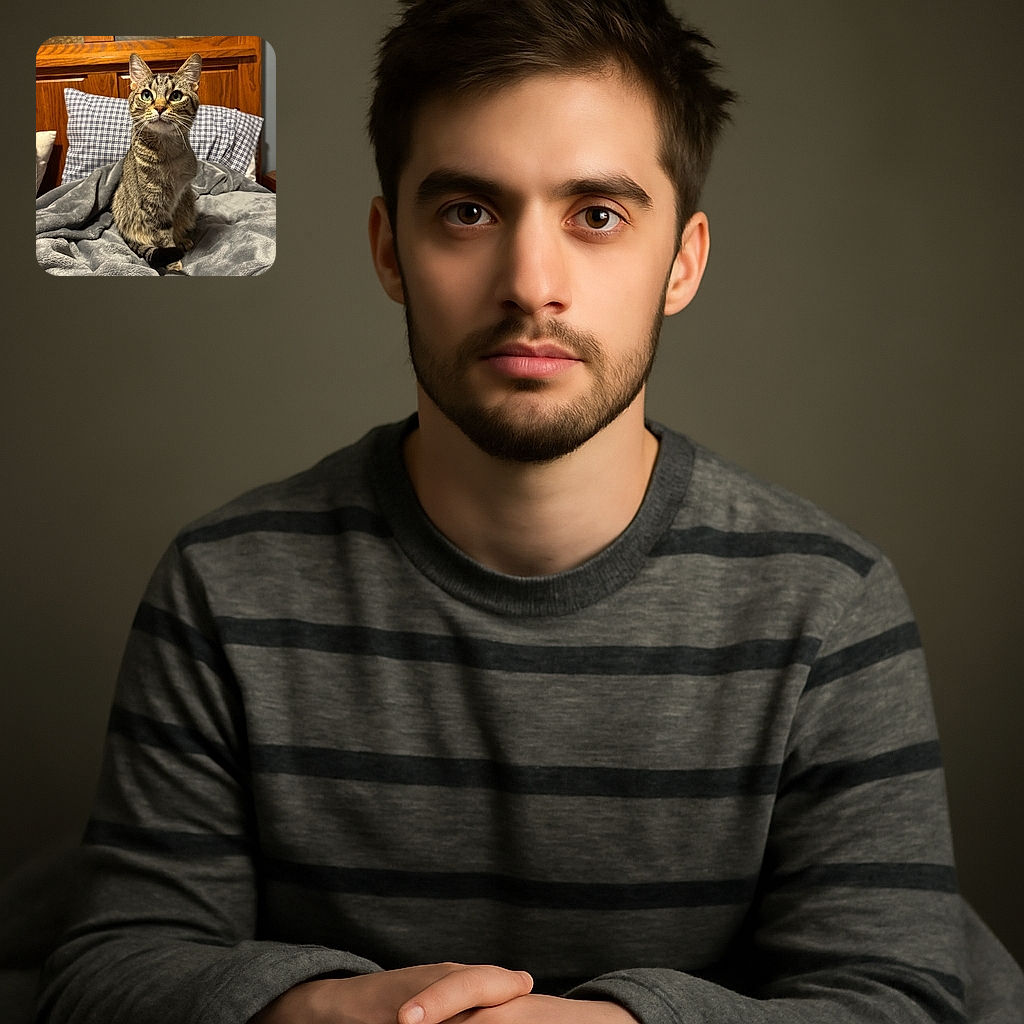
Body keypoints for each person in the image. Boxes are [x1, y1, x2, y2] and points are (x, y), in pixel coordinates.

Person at [35, 1, 1022, 1023]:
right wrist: (324, 1012)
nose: (530, 285)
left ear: (681, 261)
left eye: (596, 214)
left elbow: (900, 1000)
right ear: (389, 249)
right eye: (468, 211)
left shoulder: (829, 605)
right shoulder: (223, 585)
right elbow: (107, 971)